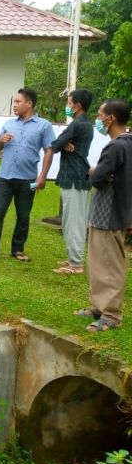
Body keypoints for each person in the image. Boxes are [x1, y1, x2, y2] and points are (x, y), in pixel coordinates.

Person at [73, 100, 132, 332]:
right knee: (98, 263)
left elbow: (97, 178)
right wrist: (102, 173)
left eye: (100, 115)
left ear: (111, 119)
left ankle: (111, 315)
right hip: (108, 214)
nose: (98, 119)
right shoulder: (126, 144)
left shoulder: (117, 146)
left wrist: (95, 171)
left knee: (110, 265)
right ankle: (99, 306)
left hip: (109, 214)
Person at [0, 87, 55, 263]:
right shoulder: (9, 124)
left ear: (29, 104)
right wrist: (0, 140)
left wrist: (42, 176)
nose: (14, 105)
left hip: (28, 179)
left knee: (23, 215)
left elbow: (49, 151)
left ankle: (18, 249)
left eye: (18, 102)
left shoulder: (44, 126)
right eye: (14, 102)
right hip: (5, 178)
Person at [51, 88, 94, 274]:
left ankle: (75, 264)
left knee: (73, 222)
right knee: (73, 220)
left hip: (74, 177)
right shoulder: (84, 124)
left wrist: (62, 144)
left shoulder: (77, 125)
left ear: (77, 106)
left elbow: (54, 145)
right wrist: (62, 144)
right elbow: (60, 144)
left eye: (69, 103)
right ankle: (72, 258)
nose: (67, 106)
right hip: (78, 176)